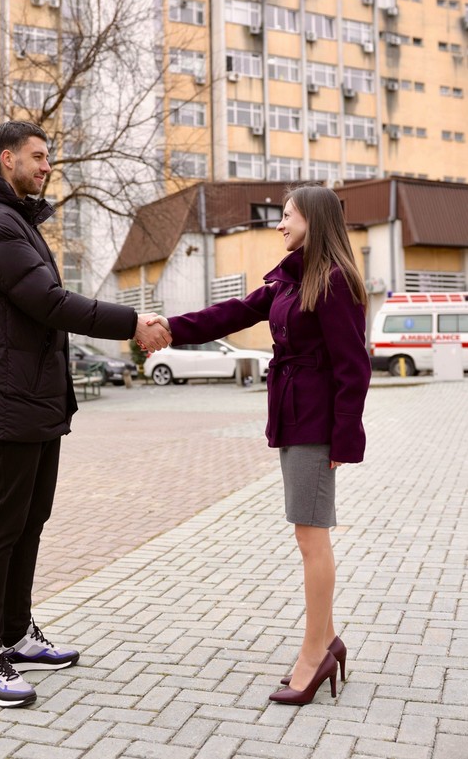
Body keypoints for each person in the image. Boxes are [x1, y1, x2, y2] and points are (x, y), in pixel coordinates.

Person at [0, 120, 170, 708]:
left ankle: (17, 633)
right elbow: (45, 302)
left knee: (30, 519)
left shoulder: (14, 218)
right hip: (7, 395)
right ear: (7, 159)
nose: (47, 166)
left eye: (49, 157)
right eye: (38, 156)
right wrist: (133, 323)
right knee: (3, 524)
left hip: (31, 394)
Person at [149, 184, 371, 706]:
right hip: (294, 417)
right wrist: (168, 328)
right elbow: (229, 314)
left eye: (287, 217)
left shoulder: (335, 281)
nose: (279, 225)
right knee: (307, 536)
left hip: (316, 423)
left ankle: (314, 654)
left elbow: (353, 368)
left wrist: (345, 436)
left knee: (312, 540)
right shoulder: (290, 278)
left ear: (313, 220)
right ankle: (329, 639)